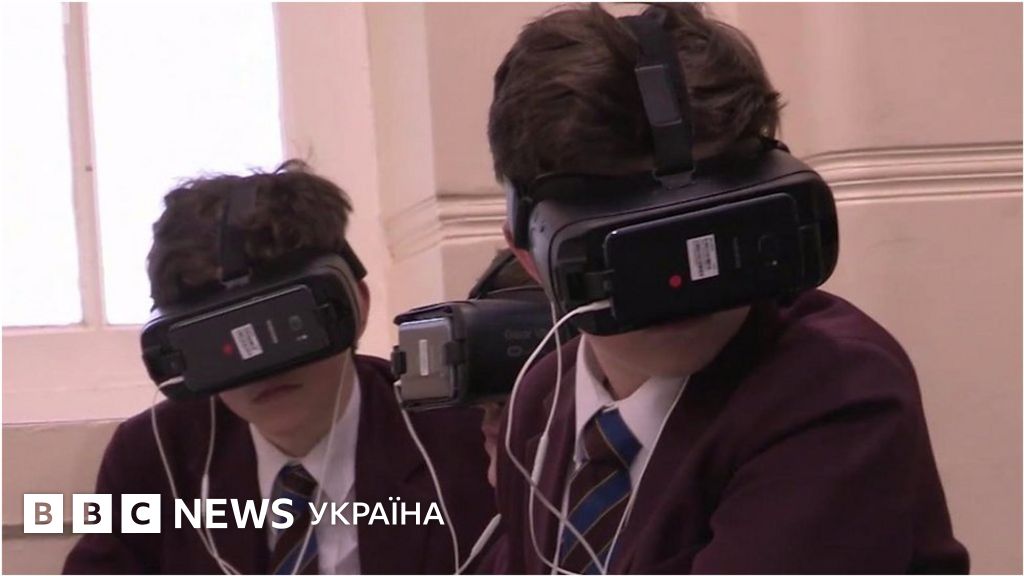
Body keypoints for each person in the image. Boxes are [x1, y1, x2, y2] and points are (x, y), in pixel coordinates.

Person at [484, 4, 968, 573]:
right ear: (527, 250)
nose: (682, 276)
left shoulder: (838, 387)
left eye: (705, 228)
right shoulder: (541, 396)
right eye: (631, 247)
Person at [64, 160, 494, 574]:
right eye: (224, 343)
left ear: (352, 306)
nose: (262, 367)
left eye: (285, 327)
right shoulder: (154, 457)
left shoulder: (465, 442)